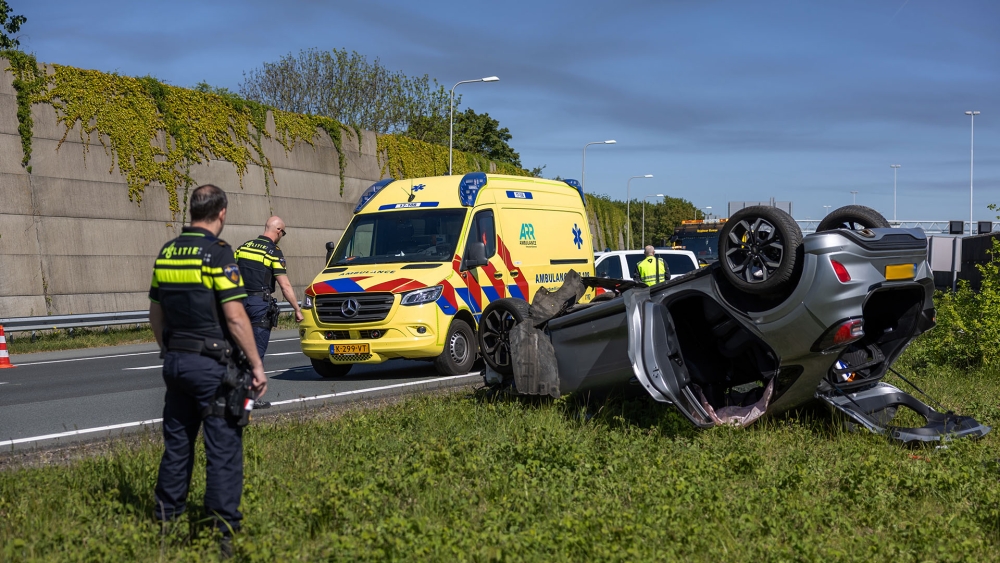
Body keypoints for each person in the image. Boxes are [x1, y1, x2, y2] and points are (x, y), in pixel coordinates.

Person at [148, 184, 266, 554]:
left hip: (176, 364)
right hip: (212, 366)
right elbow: (234, 317)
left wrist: (167, 349)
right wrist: (258, 365)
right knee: (223, 450)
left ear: (192, 211)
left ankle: (164, 530)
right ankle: (222, 538)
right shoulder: (217, 254)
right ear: (222, 213)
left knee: (177, 448)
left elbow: (155, 312)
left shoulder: (167, 253)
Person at [234, 216, 304, 360]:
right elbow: (284, 285)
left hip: (237, 303)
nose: (282, 236)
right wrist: (297, 309)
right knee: (256, 355)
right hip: (258, 305)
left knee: (237, 351)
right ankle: (252, 380)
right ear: (278, 231)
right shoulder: (273, 252)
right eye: (283, 233)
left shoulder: (243, 247)